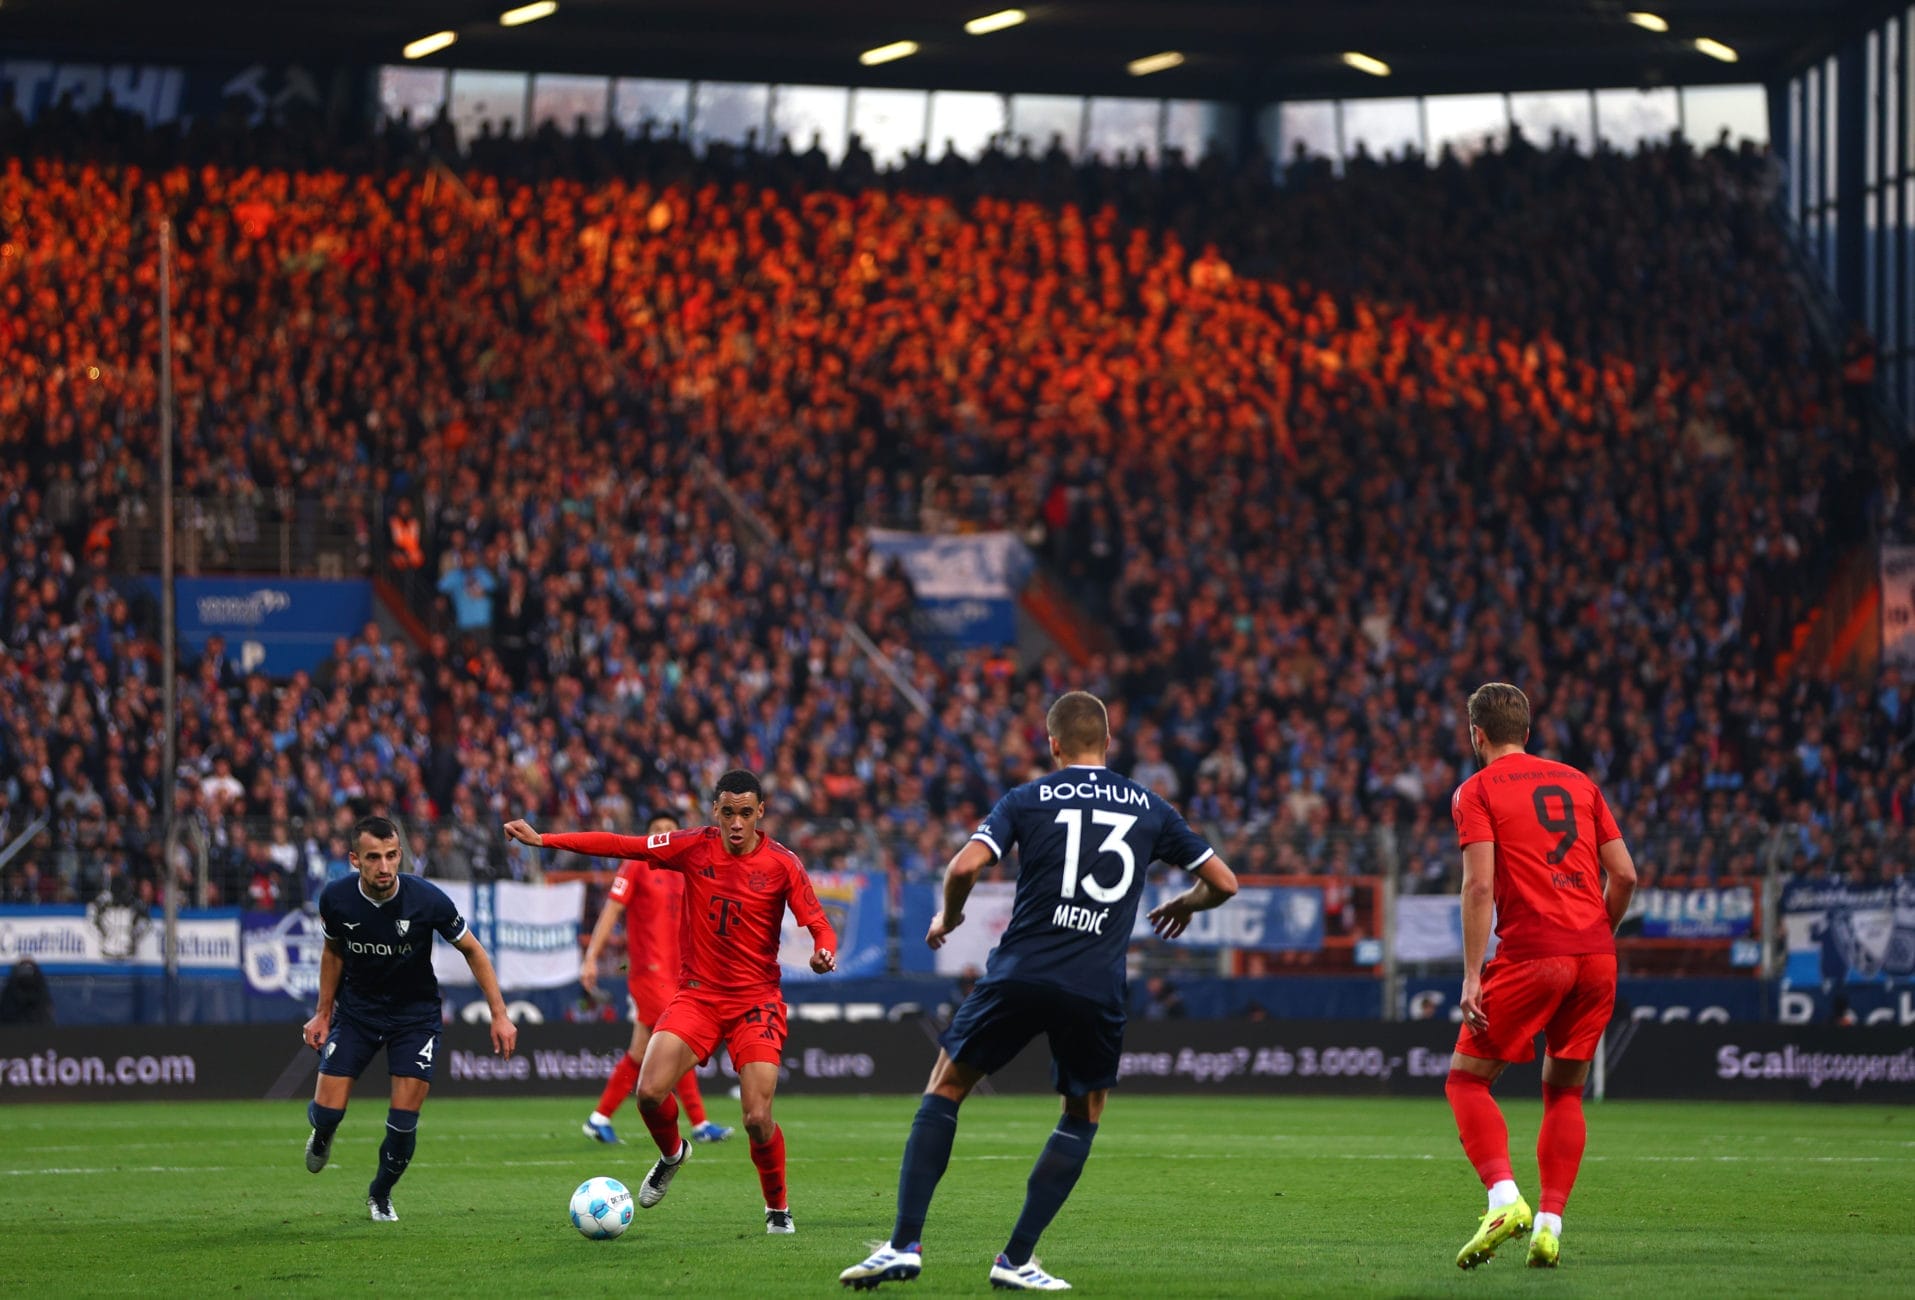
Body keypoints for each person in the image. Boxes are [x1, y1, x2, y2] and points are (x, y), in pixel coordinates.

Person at [839, 691, 1239, 1292]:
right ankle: (1016, 1258)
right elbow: (1225, 883)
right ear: (1108, 743)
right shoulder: (1150, 806)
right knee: (1084, 1112)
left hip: (1022, 971)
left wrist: (949, 918)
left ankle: (903, 1245)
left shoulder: (1029, 797)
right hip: (1095, 985)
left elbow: (963, 868)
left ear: (1052, 744)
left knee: (947, 1085)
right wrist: (1186, 902)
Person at [504, 768, 837, 1235]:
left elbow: (818, 923)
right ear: (714, 812)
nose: (736, 823)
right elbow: (624, 845)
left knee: (757, 1118)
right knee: (649, 1092)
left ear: (760, 812)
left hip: (755, 1001)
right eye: (728, 813)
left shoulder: (783, 863)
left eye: (745, 813)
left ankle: (777, 1208)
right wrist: (547, 841)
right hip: (698, 995)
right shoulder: (692, 845)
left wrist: (825, 951)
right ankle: (673, 1153)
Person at [1444, 683, 1637, 1270]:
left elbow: (1479, 885)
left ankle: (1504, 1199)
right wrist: (1593, 933)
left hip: (1534, 952)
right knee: (1564, 1092)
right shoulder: (1580, 782)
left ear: (1477, 734)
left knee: (1467, 1082)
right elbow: (1625, 875)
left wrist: (1473, 974)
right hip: (1596, 953)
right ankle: (1550, 1226)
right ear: (1526, 732)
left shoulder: (1475, 791)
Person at [301, 815, 519, 1222]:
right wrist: (322, 1013)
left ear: (401, 854)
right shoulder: (335, 899)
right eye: (373, 858)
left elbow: (473, 950)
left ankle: (380, 1194)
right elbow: (332, 952)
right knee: (328, 1111)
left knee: (403, 1122)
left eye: (391, 856)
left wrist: (500, 1015)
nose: (384, 867)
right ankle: (323, 1133)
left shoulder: (428, 900)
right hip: (357, 1013)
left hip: (414, 1018)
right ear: (354, 860)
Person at [579, 810, 734, 1146]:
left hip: (679, 975)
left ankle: (599, 1117)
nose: (663, 834)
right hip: (649, 974)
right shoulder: (636, 865)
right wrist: (591, 957)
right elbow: (611, 911)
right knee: (679, 1040)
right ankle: (700, 1122)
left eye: (669, 829)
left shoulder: (685, 870)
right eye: (656, 830)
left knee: (640, 1052)